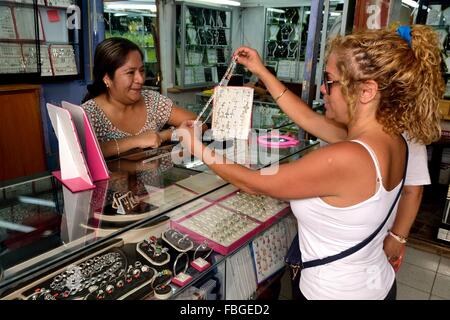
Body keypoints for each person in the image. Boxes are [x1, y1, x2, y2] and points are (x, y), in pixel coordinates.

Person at [177, 25, 445, 299]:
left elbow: (253, 183)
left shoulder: (347, 157)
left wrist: (195, 145)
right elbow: (307, 118)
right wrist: (261, 72)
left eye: (330, 81)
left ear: (366, 91)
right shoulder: (393, 140)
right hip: (378, 284)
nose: (323, 90)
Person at [81, 37, 198, 158]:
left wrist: (163, 136)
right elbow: (82, 154)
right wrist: (136, 141)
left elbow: (199, 124)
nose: (140, 79)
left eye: (142, 71)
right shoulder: (89, 114)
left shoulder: (152, 101)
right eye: (130, 72)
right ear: (107, 79)